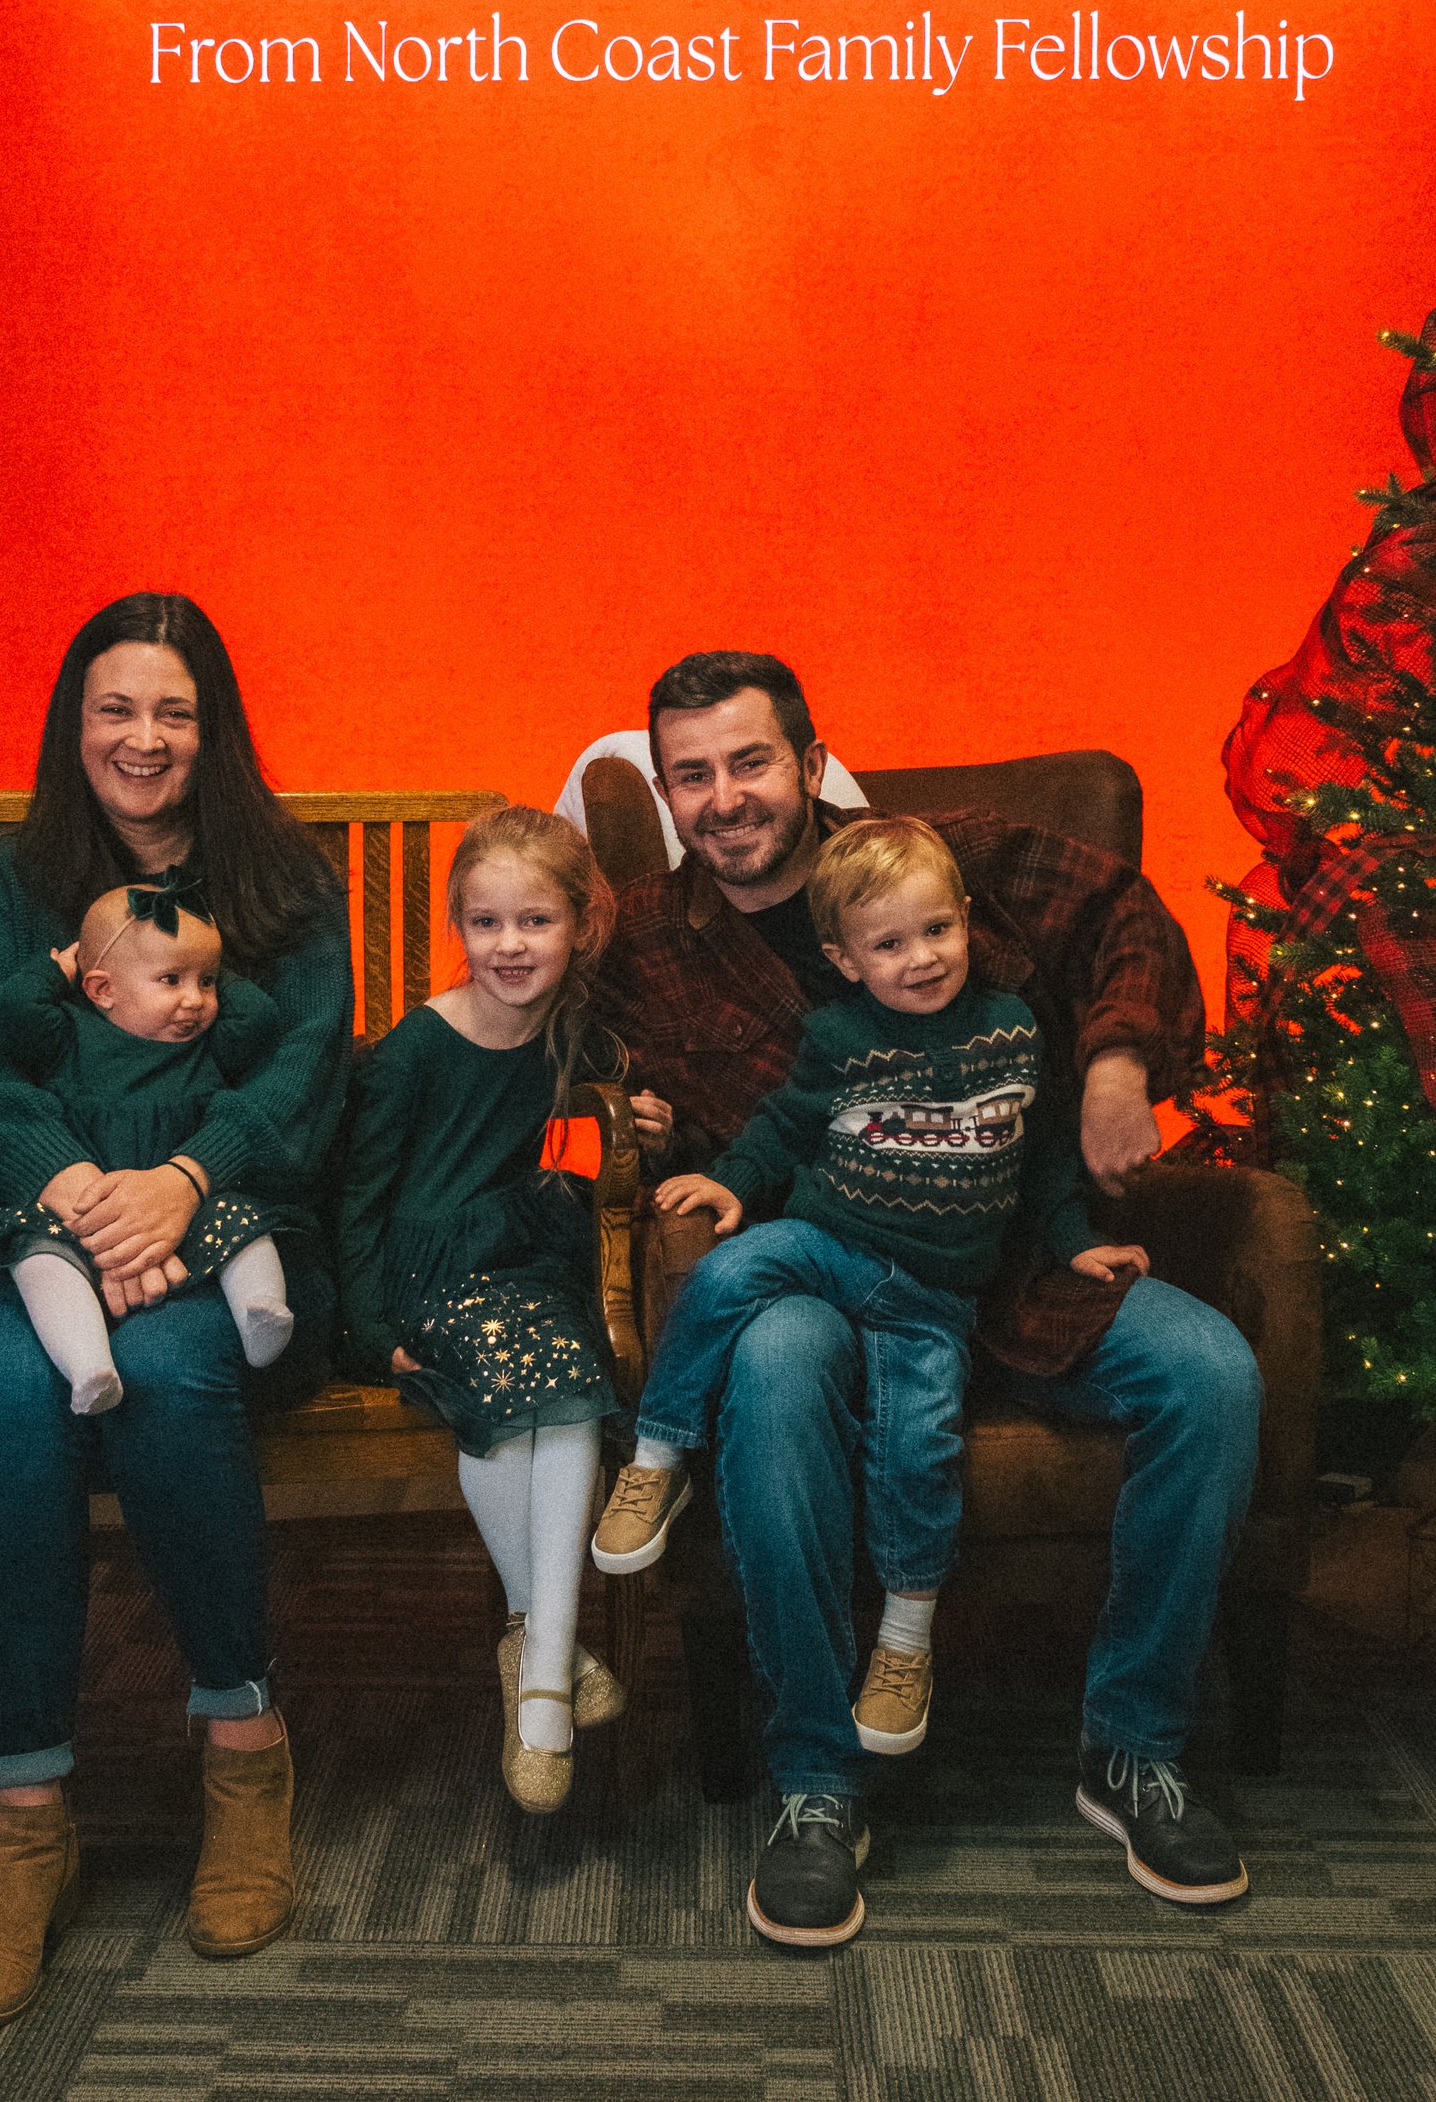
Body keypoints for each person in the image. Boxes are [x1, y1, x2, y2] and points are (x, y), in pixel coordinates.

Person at [593, 651, 1259, 1948]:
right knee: (776, 1362)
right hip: (829, 1276)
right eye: (692, 774)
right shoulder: (644, 942)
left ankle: (1131, 1744)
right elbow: (535, 1015)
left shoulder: (949, 858)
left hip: (1022, 1257)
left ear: (806, 756)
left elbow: (1124, 912)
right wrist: (622, 1107)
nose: (725, 797)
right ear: (665, 792)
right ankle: (815, 1780)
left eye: (750, 761)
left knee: (1215, 1372)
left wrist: (1119, 1064)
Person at [0, 594, 350, 2032]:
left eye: (172, 710)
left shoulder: (284, 881)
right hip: (31, 1231)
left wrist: (180, 1181)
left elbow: (303, 1082)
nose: (144, 738)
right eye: (115, 708)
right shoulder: (9, 884)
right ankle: (27, 1813)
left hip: (229, 1237)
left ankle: (243, 1743)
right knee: (2, 1374)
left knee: (163, 1372)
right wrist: (81, 1193)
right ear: (74, 723)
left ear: (210, 725)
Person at [592, 815, 1147, 1805]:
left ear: (967, 920)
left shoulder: (1012, 1026)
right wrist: (726, 1183)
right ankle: (657, 1459)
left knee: (916, 1455)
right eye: (888, 944)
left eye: (935, 931)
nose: (919, 957)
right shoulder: (838, 1036)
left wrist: (1075, 1242)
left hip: (934, 1297)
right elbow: (784, 1125)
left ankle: (904, 1639)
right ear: (846, 960)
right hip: (835, 1243)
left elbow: (1047, 1156)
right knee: (724, 1277)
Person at [338, 807, 648, 1813]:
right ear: (460, 930)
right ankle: (550, 1662)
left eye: (533, 922)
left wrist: (649, 1111)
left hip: (521, 1246)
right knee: (499, 1394)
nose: (509, 945)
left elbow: (623, 1086)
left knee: (566, 1384)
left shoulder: (572, 1030)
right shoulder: (417, 1047)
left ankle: (539, 1650)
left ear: (578, 926)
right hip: (431, 1260)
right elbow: (362, 1192)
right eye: (484, 923)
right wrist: (367, 1317)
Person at [0, 877, 296, 1415]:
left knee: (243, 1222)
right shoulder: (68, 1033)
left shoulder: (208, 1046)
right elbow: (12, 1012)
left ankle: (262, 1313)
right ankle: (87, 1363)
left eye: (206, 983)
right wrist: (57, 970)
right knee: (36, 1256)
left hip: (180, 1209)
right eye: (171, 980)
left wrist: (196, 959)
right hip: (80, 1209)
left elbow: (261, 1017)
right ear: (100, 989)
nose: (194, 1001)